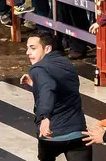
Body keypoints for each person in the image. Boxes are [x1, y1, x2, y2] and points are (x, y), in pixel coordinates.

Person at [20, 32, 90, 161]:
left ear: (47, 49)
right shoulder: (67, 64)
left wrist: (45, 117)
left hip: (52, 133)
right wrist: (35, 85)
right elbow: (59, 88)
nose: (28, 52)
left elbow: (48, 87)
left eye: (33, 48)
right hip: (78, 132)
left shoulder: (37, 69)